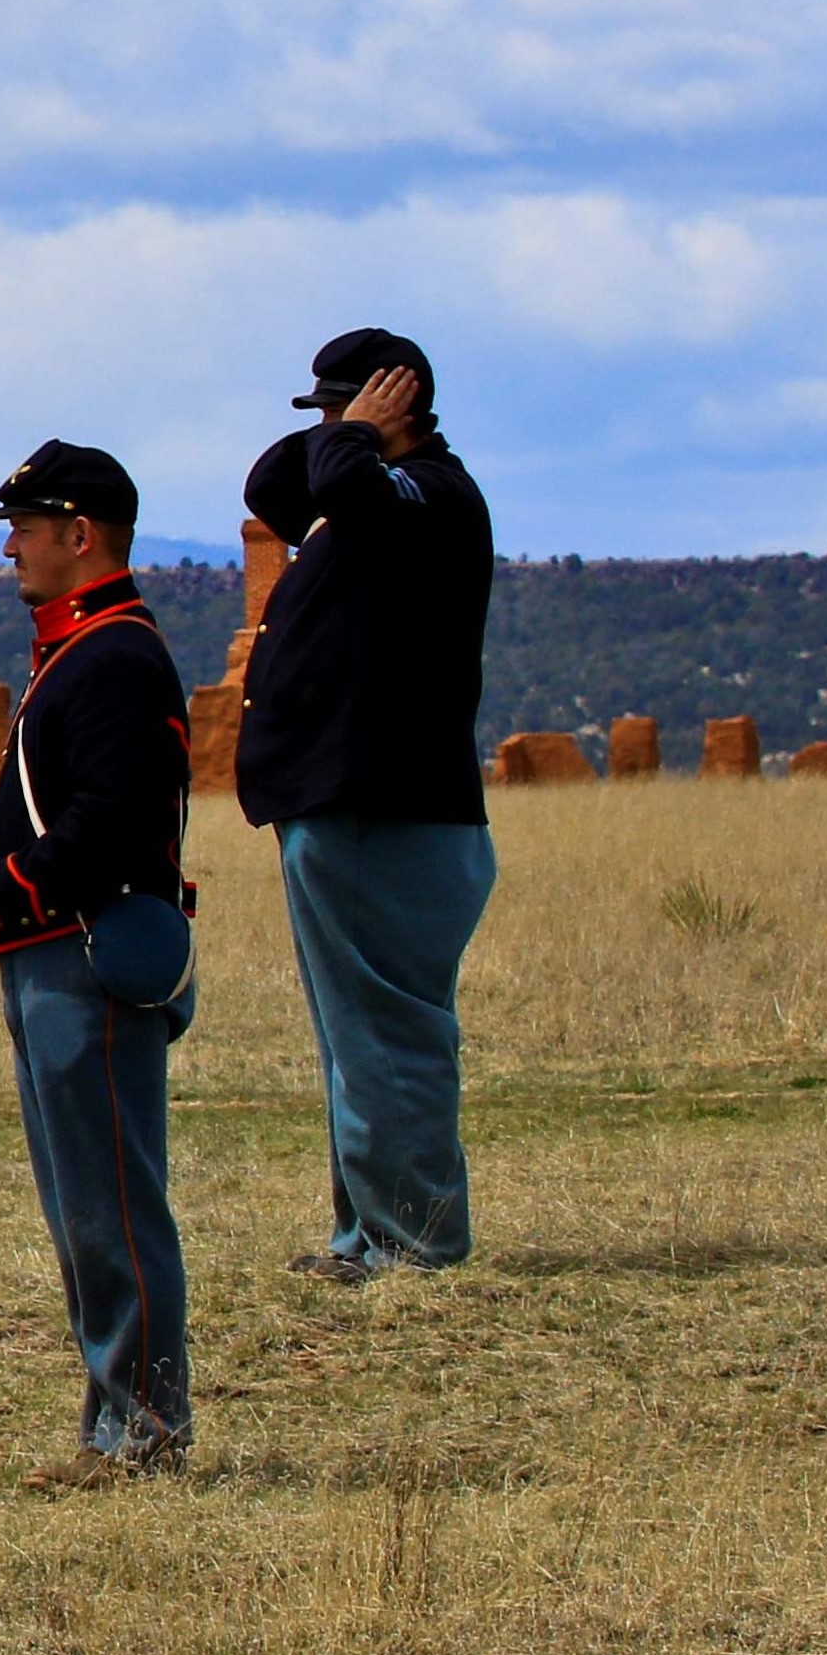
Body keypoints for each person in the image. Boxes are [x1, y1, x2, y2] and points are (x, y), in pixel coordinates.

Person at [0, 441, 198, 1468]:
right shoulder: (79, 650)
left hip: (83, 955)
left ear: (78, 534)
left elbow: (117, 821)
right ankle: (115, 1422)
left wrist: (4, 889)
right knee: (80, 1208)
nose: (9, 546)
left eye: (22, 527)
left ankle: (142, 1431)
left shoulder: (110, 656)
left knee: (108, 1209)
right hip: (53, 954)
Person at [237, 327, 496, 1281]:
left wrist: (355, 439)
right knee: (357, 1037)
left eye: (346, 405)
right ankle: (371, 1233)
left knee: (388, 1035)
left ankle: (412, 1242)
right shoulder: (368, 490)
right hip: (350, 807)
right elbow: (272, 487)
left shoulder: (432, 497)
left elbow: (344, 489)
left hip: (387, 810)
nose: (331, 429)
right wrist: (341, 426)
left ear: (401, 400)